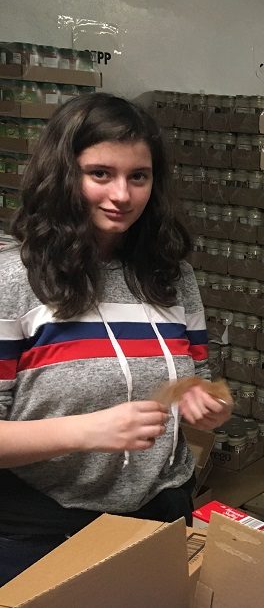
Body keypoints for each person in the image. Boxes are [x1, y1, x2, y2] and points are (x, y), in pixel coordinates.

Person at [0, 93, 230, 584]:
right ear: (63, 175)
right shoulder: (14, 281)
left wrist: (206, 402)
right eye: (100, 173)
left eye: (138, 177)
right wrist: (87, 432)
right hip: (43, 527)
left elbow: (199, 377)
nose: (122, 195)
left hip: (161, 509)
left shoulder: (171, 276)